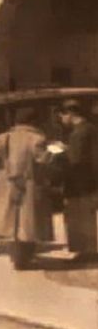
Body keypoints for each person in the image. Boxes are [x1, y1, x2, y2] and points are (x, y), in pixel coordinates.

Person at [0, 107, 53, 270]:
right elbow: (43, 160)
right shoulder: (37, 138)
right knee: (27, 222)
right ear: (33, 121)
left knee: (10, 221)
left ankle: (15, 255)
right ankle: (25, 256)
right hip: (28, 184)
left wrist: (4, 168)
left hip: (7, 184)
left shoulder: (3, 138)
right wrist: (54, 151)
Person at [58, 99, 98, 262]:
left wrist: (62, 151)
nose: (62, 120)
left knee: (79, 217)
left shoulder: (79, 133)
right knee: (86, 217)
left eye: (62, 116)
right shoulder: (91, 129)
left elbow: (75, 160)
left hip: (79, 183)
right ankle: (88, 251)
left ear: (70, 114)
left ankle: (87, 253)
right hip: (89, 181)